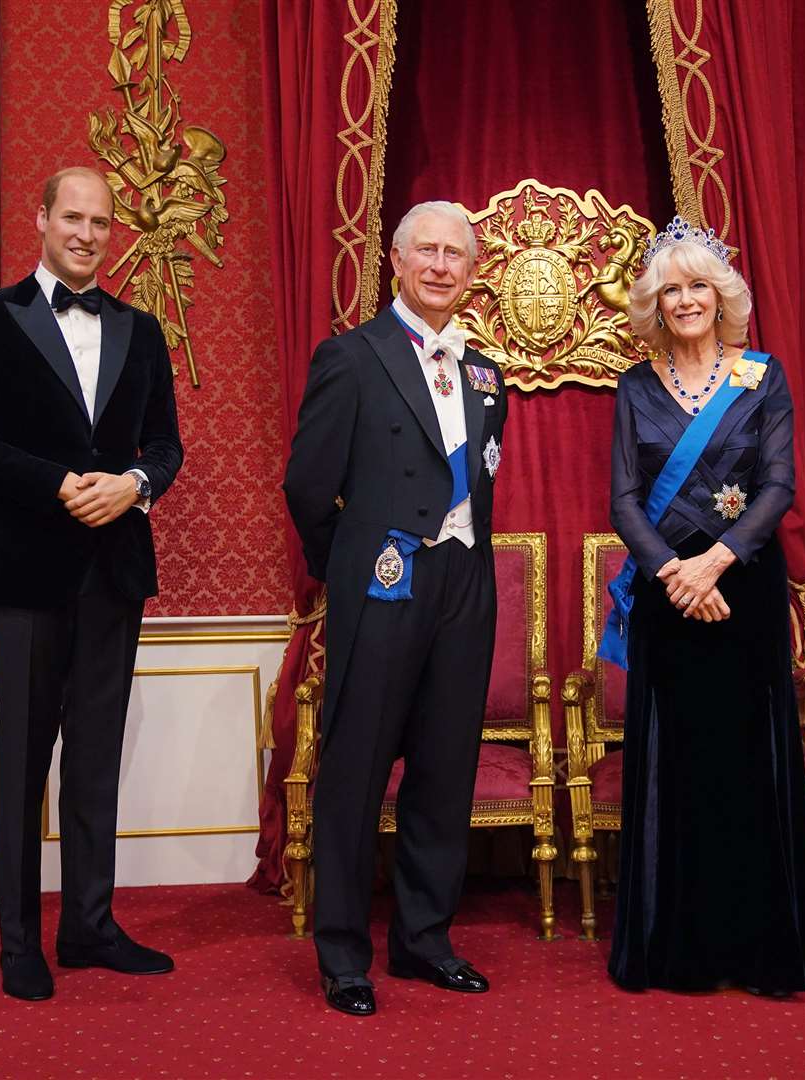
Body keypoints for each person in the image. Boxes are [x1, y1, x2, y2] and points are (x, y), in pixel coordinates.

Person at [0, 166, 184, 1001]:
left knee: (94, 762)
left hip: (115, 571)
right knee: (23, 760)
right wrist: (57, 482)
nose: (86, 233)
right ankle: (18, 942)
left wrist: (135, 485)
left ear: (114, 233)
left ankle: (88, 926)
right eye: (72, 217)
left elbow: (165, 446)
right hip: (27, 573)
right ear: (41, 220)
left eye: (101, 222)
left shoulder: (141, 330)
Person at [284, 201, 508, 1018]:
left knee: (445, 772)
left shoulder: (487, 373)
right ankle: (344, 955)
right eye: (427, 251)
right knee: (355, 773)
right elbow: (308, 485)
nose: (442, 265)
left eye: (456, 253)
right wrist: (343, 569)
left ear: (471, 268)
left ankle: (424, 940)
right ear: (396, 260)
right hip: (381, 585)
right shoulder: (351, 357)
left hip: (462, 590)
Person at [601, 216, 805, 995]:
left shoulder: (761, 377)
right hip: (671, 598)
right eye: (671, 288)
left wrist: (716, 561)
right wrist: (674, 572)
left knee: (746, 756)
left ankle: (761, 946)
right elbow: (624, 500)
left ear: (722, 294)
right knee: (679, 759)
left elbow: (777, 486)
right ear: (654, 304)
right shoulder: (635, 387)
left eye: (699, 284)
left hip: (744, 587)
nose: (686, 299)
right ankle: (680, 949)